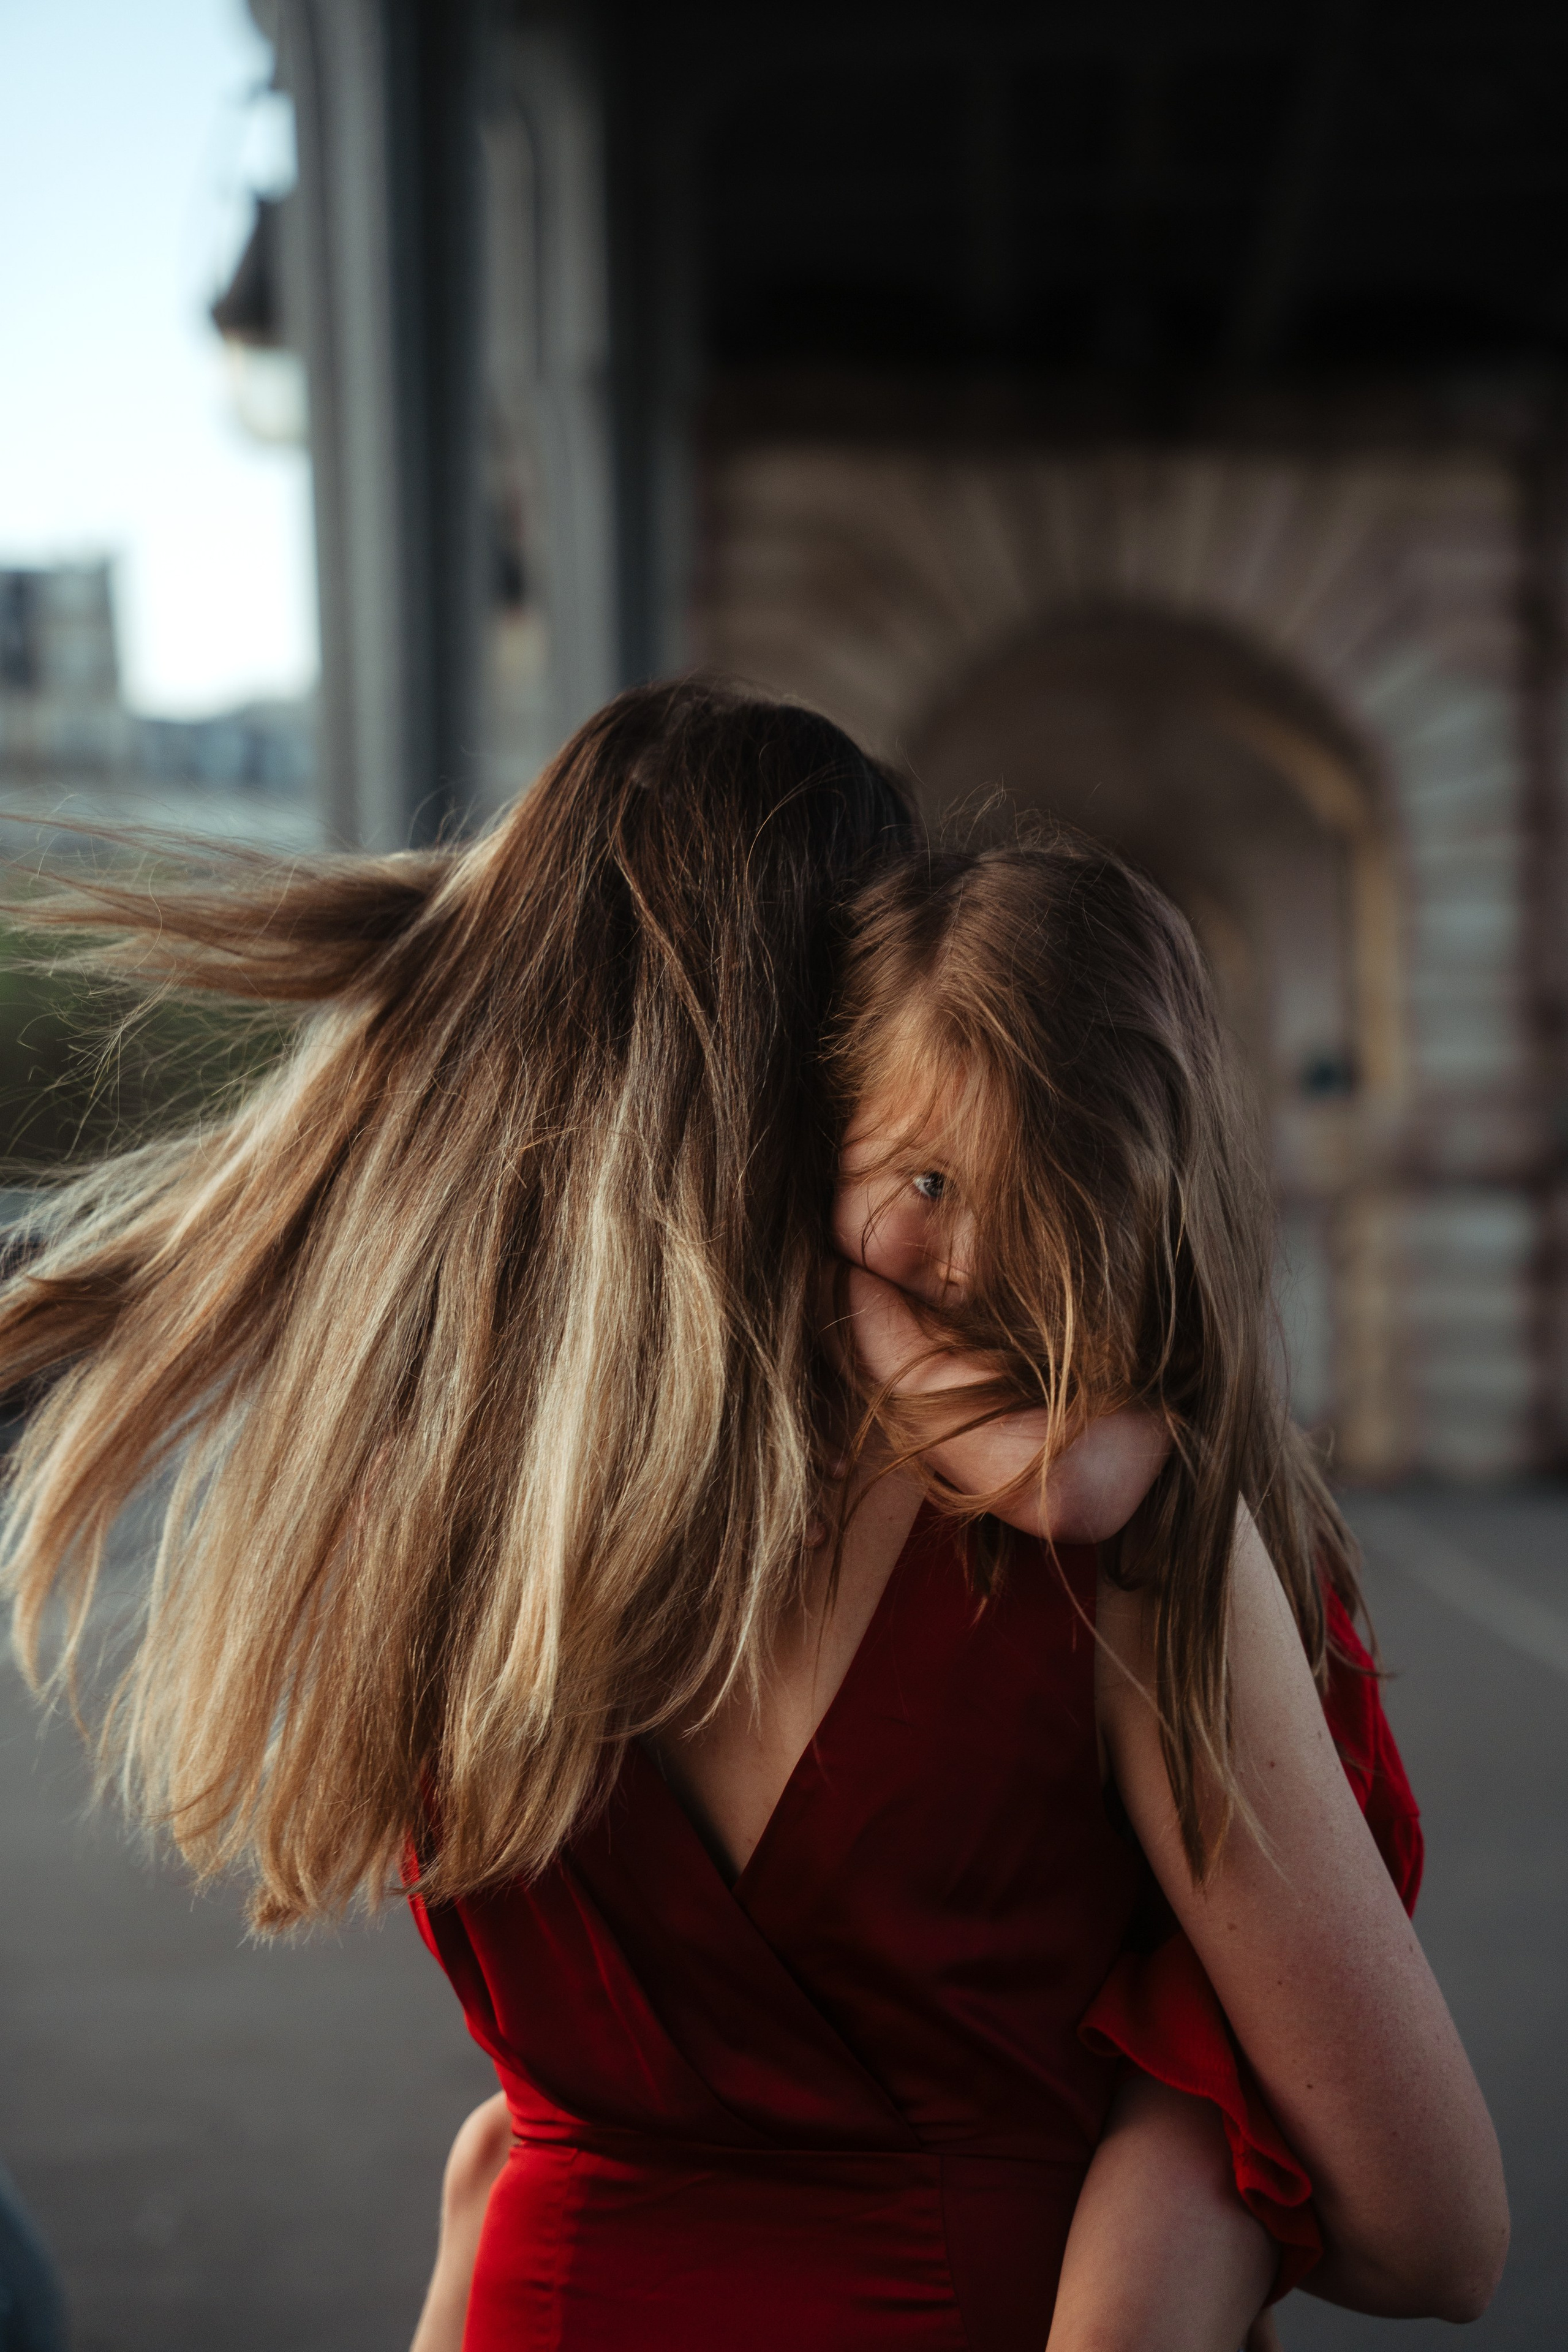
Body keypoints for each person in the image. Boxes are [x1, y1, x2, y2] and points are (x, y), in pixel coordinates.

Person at [0, 688, 1504, 2350]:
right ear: (823, 1048)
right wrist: (1190, 2125)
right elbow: (1434, 2236)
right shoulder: (1098, 1529)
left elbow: (542, 2130)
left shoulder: (433, 1504)